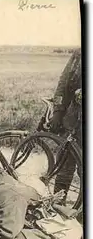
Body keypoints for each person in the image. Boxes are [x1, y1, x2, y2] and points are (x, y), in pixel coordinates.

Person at [49, 49, 82, 204]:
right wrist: (57, 111)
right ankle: (57, 205)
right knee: (64, 165)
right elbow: (62, 84)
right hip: (72, 120)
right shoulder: (78, 54)